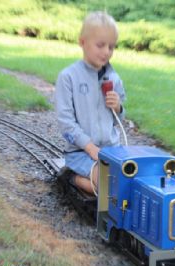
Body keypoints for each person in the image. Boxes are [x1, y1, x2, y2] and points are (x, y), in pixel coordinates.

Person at [55, 11, 126, 194]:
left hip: (111, 150)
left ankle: (98, 188)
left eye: (111, 47)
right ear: (82, 42)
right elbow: (66, 123)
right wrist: (89, 146)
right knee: (109, 185)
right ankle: (74, 178)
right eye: (100, 45)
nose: (106, 52)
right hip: (81, 153)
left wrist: (118, 106)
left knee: (129, 181)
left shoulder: (114, 79)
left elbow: (120, 117)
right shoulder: (68, 77)